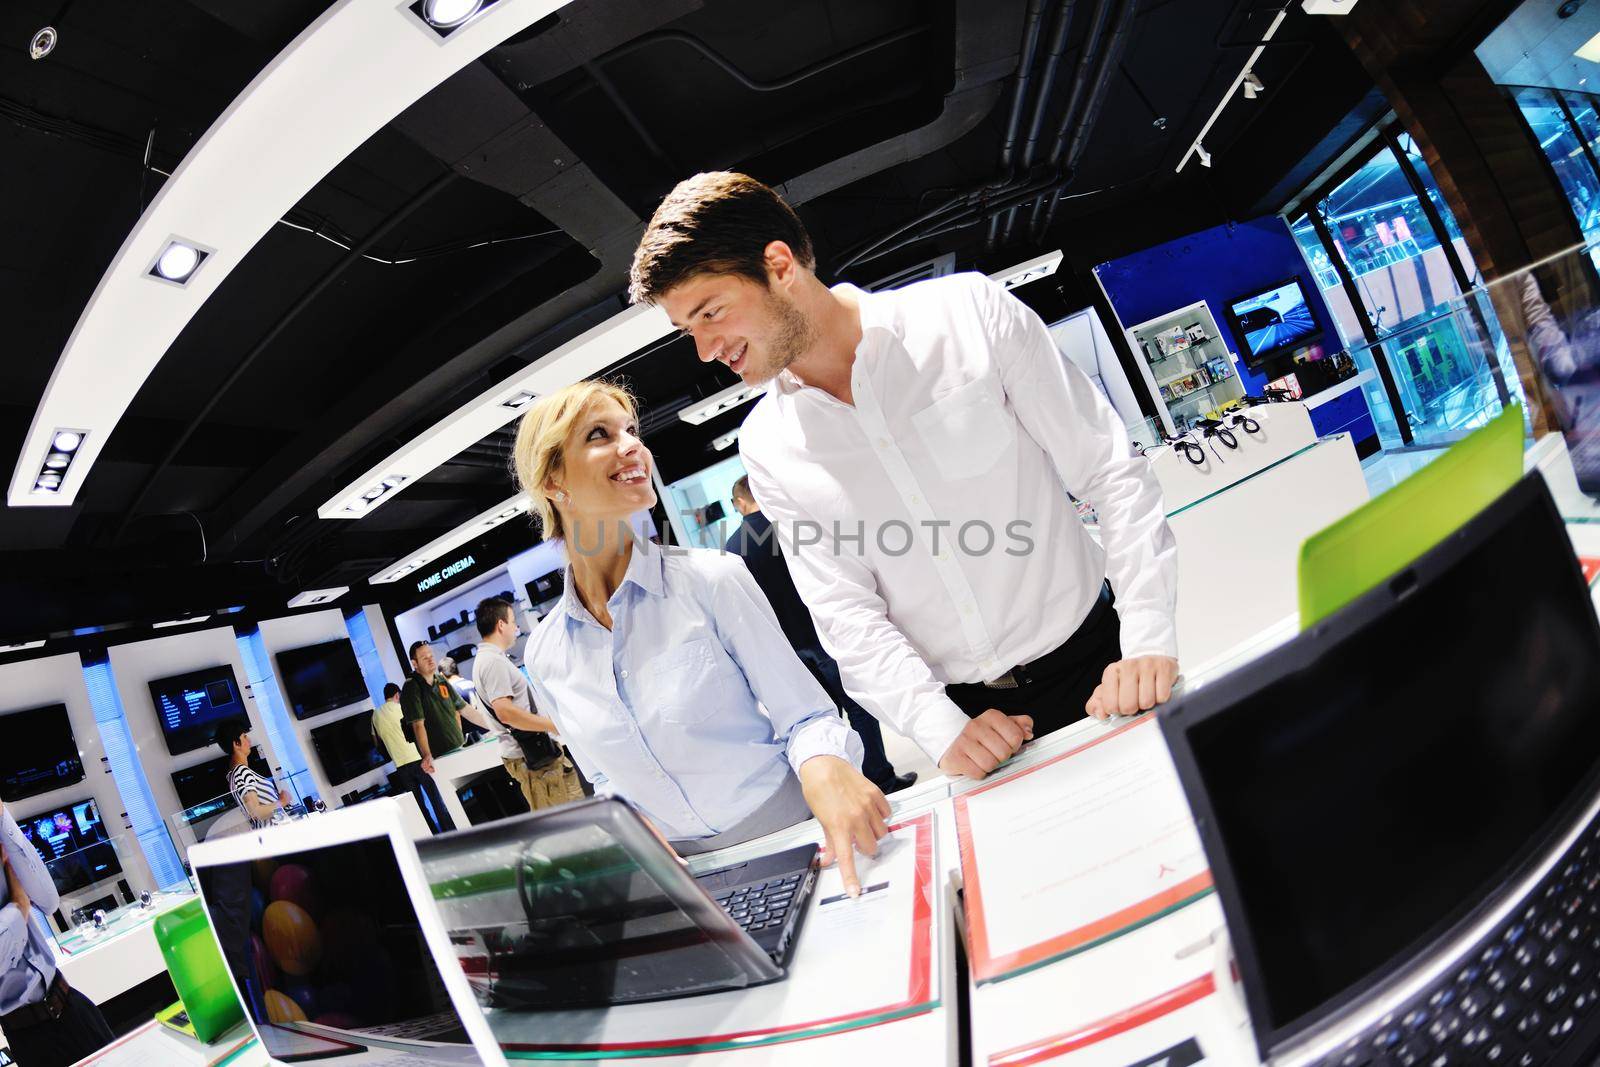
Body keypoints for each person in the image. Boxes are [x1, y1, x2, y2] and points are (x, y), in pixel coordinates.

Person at [630, 172, 1180, 781]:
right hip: (971, 721)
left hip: (1100, 659)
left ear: (780, 266)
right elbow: (844, 610)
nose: (706, 350)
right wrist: (938, 726)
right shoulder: (769, 444)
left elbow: (1109, 471)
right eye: (690, 332)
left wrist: (1148, 634)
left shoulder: (967, 314)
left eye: (711, 313)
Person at [514, 380, 890, 895]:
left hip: (793, 837)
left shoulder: (711, 578)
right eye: (600, 434)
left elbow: (806, 714)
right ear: (553, 477)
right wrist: (628, 828)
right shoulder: (546, 652)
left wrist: (824, 762)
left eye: (632, 431)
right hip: (688, 881)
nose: (632, 446)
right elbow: (603, 778)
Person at [726, 475, 914, 794]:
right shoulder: (792, 528)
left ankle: (847, 788)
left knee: (819, 720)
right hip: (825, 634)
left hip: (788, 647)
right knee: (857, 707)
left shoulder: (732, 549)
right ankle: (880, 777)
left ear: (739, 503)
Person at [0, 800, 114, 1066]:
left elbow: (48, 900)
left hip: (71, 1004)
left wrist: (4, 819)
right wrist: (18, 907)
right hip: (29, 1035)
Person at [472, 596, 585, 813]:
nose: (516, 627)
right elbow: (506, 713)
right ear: (501, 624)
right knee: (561, 823)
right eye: (513, 621)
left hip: (537, 754)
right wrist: (552, 725)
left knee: (574, 815)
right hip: (533, 757)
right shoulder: (492, 662)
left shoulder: (490, 659)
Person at [373, 682, 456, 834]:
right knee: (435, 798)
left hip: (400, 766)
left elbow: (376, 741)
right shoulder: (402, 708)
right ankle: (450, 831)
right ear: (397, 695)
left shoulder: (375, 715)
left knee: (419, 806)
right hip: (418, 759)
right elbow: (419, 727)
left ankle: (432, 834)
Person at [400, 641, 468, 769]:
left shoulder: (441, 680)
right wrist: (427, 755)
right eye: (425, 658)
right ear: (414, 663)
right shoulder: (412, 686)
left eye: (431, 656)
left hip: (460, 747)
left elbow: (458, 710)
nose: (430, 660)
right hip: (440, 756)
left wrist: (460, 738)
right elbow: (418, 725)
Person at [218, 719, 289, 829]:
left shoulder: (236, 773)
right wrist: (282, 801)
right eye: (245, 736)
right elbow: (256, 812)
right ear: (236, 744)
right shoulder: (241, 772)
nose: (249, 740)